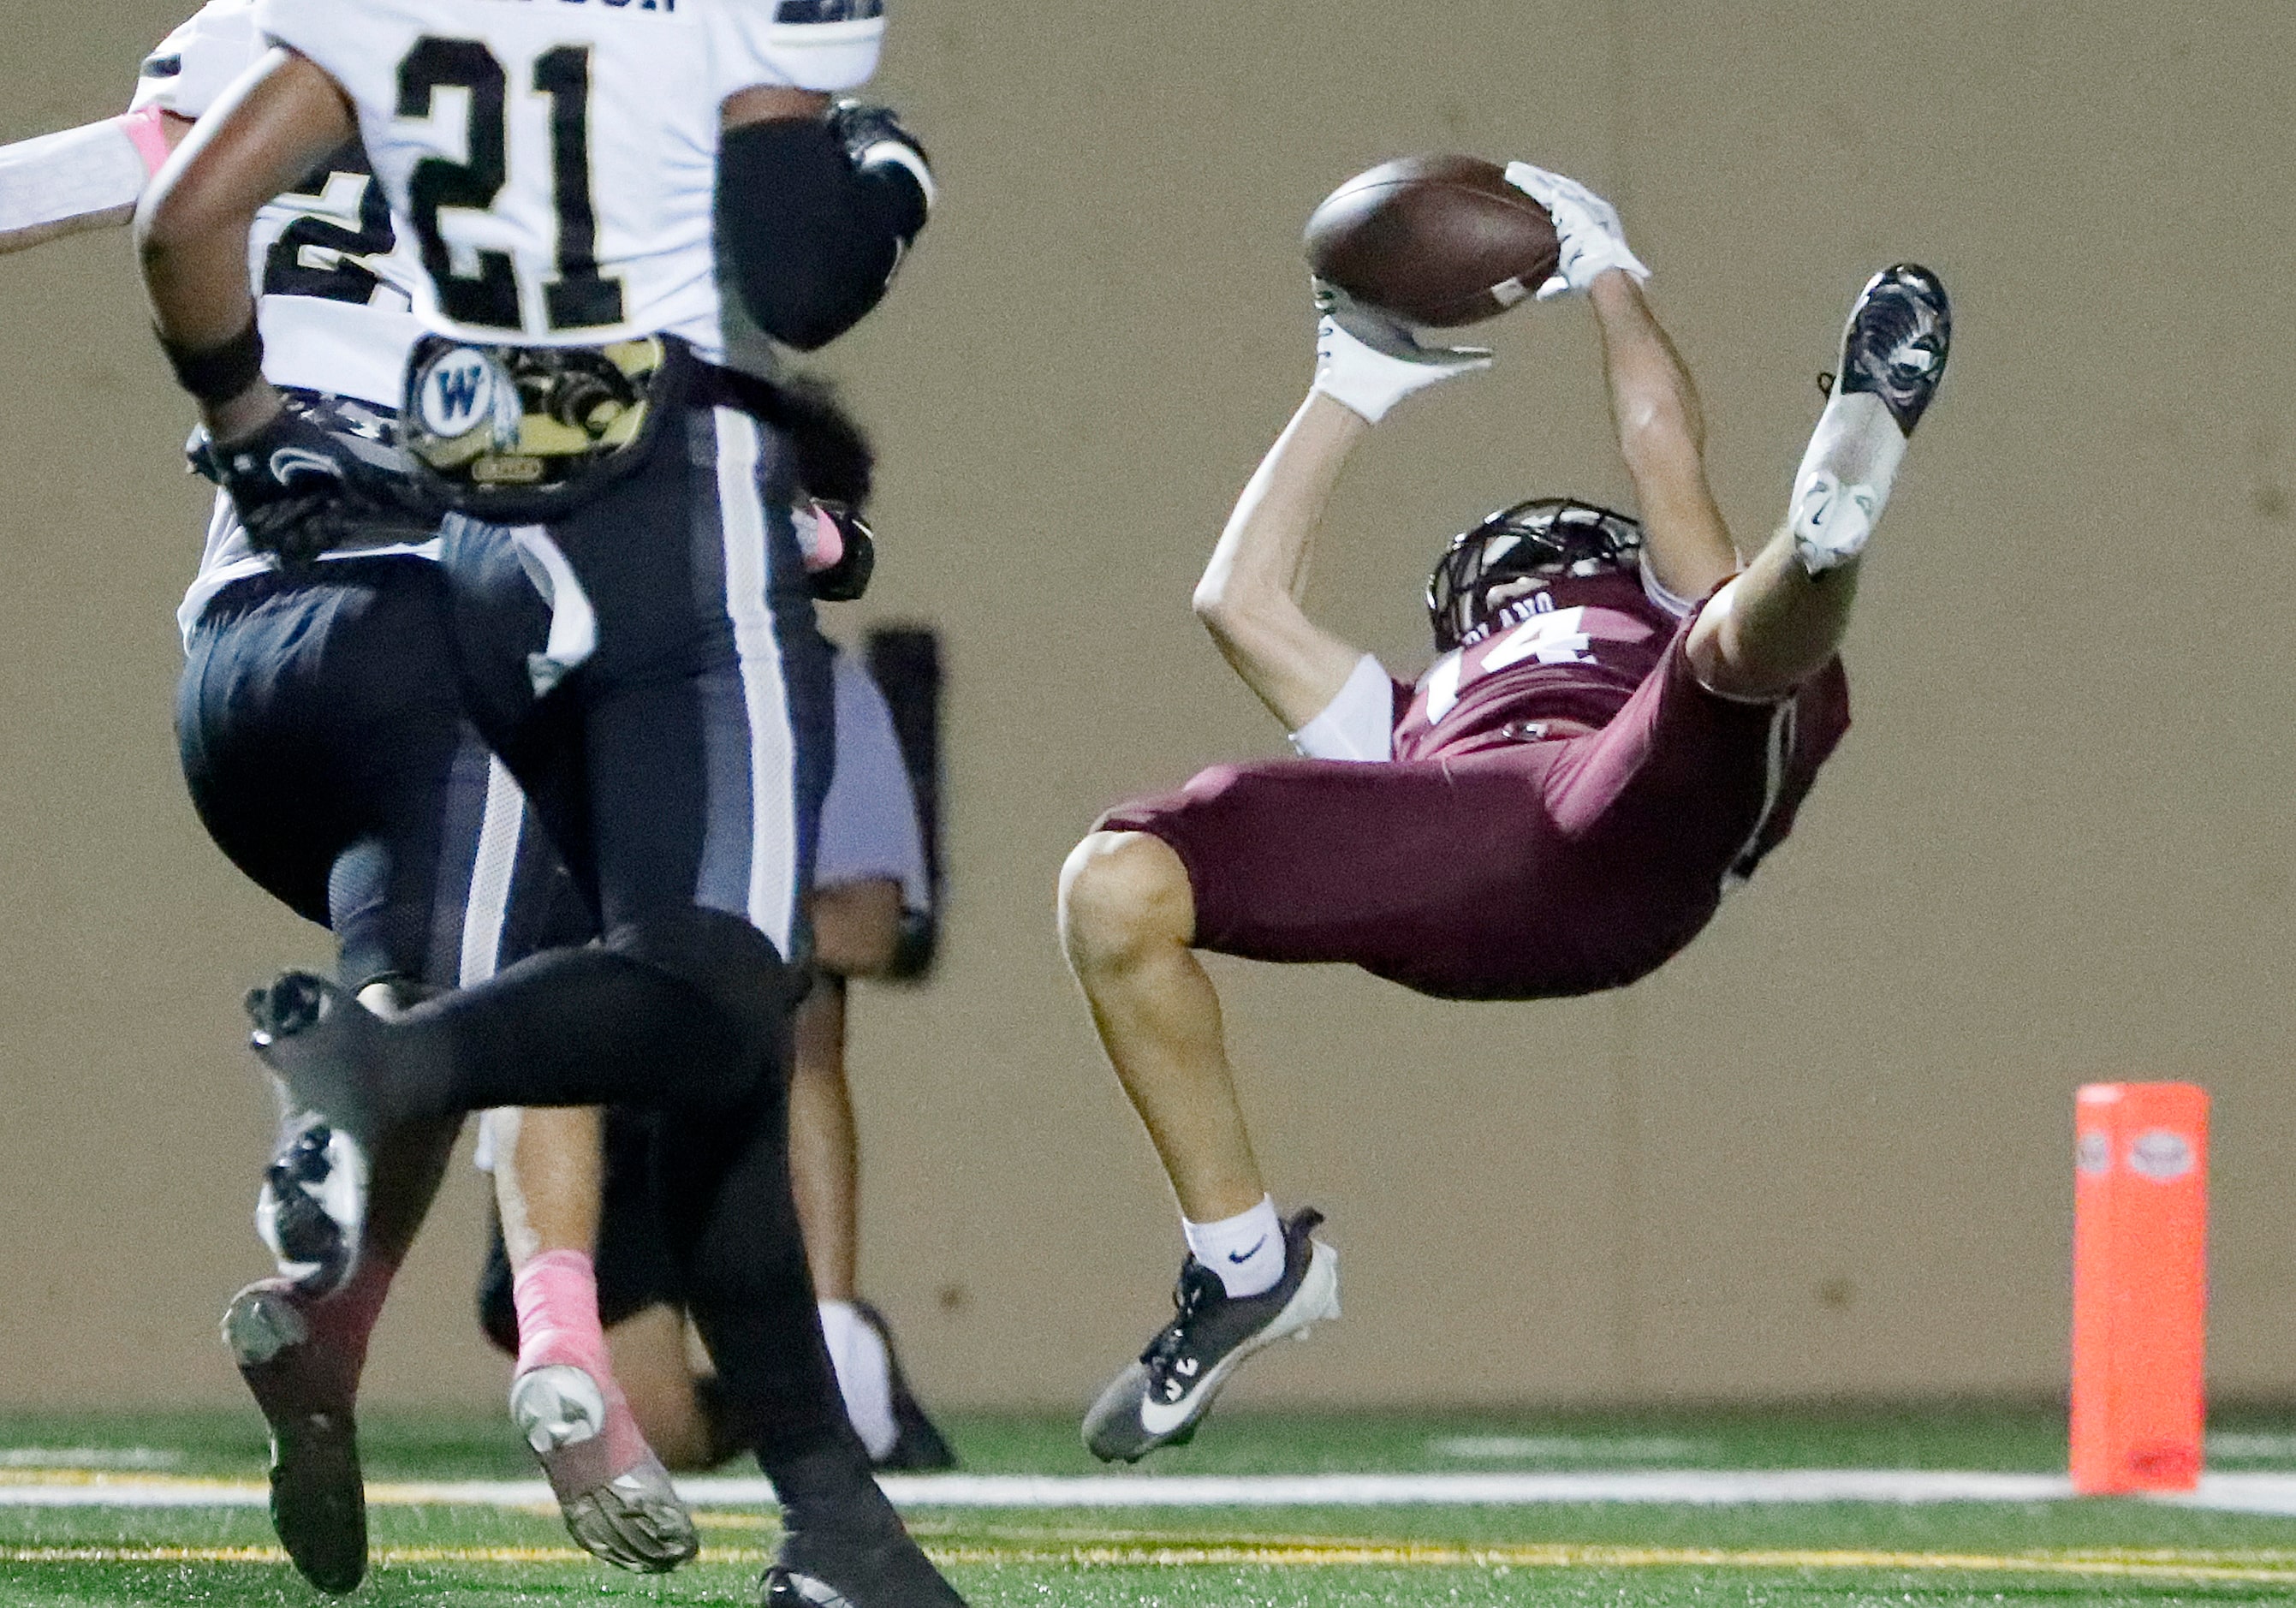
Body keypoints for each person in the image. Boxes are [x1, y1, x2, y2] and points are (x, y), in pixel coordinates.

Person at [132, 3, 958, 1605]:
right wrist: (891, 173)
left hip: (461, 529)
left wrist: (243, 434)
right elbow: (799, 273)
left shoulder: (375, 22)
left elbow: (175, 212)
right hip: (646, 498)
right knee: (724, 986)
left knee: (707, 1010)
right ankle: (389, 1057)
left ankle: (837, 1525)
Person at [1057, 163, 1949, 1462]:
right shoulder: (1409, 709)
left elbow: (1660, 442)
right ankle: (1241, 1264)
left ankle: (1823, 539)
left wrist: (1610, 276)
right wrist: (1346, 384)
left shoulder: (1635, 610)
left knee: (1722, 653)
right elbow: (1235, 601)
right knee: (1114, 880)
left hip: (1633, 806)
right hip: (1462, 841)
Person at [478, 642, 957, 1474]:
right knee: (646, 1430)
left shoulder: (826, 690)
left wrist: (699, 925)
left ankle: (834, 1340)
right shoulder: (553, 678)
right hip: (602, 1081)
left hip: (734, 1069)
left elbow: (869, 929)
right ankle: (800, 1395)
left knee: (799, 996)